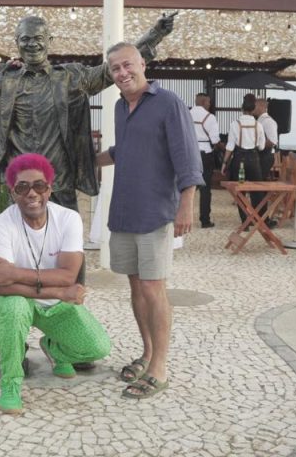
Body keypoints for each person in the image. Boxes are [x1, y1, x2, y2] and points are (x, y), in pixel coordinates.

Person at [0, 13, 176, 212]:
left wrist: (154, 35)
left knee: (66, 247)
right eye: (25, 39)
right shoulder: (3, 79)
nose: (32, 44)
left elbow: (108, 70)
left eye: (38, 38)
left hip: (60, 182)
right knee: (20, 247)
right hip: (20, 183)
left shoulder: (70, 78)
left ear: (49, 40)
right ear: (17, 42)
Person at [95, 42, 202, 400]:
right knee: (136, 287)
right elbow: (123, 151)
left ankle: (160, 368)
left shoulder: (168, 103)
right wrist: (86, 160)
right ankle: (147, 353)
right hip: (124, 210)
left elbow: (187, 156)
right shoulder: (119, 107)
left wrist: (186, 204)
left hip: (155, 211)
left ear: (143, 63)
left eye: (127, 65)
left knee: (154, 288)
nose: (122, 73)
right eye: (115, 69)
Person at [0, 153, 111, 415]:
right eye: (22, 187)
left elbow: (68, 276)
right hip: (18, 298)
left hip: (55, 303)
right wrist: (61, 292)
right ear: (12, 193)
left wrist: (16, 273)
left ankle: (54, 348)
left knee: (97, 347)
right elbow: (2, 286)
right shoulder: (2, 224)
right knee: (14, 307)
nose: (32, 193)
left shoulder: (68, 219)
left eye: (39, 186)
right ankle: (11, 383)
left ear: (49, 189)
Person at [221, 94, 264, 225]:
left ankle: (245, 221)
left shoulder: (235, 124)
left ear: (242, 108)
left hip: (239, 160)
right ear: (254, 108)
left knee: (240, 191)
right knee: (257, 191)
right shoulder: (258, 125)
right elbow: (261, 147)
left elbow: (230, 146)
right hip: (254, 160)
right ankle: (256, 218)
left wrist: (224, 163)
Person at [190, 93, 221, 228]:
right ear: (203, 102)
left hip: (189, 153)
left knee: (186, 185)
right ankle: (205, 220)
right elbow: (215, 140)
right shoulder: (210, 117)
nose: (209, 104)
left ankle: (175, 214)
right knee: (205, 188)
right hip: (205, 154)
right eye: (208, 102)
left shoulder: (186, 114)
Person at [254, 97, 279, 180]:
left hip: (265, 157)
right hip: (259, 155)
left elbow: (272, 141)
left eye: (254, 106)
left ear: (261, 106)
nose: (253, 108)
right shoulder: (259, 120)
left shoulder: (268, 121)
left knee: (258, 181)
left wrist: (256, 145)